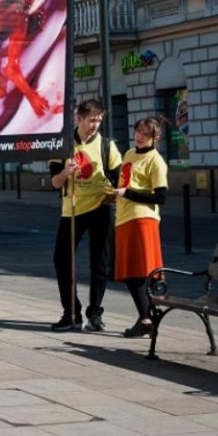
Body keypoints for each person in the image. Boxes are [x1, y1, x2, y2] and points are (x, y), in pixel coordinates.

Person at [50, 99, 121, 332]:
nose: (95, 125)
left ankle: (96, 313)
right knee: (62, 260)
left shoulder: (107, 146)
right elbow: (54, 182)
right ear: (79, 119)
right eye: (92, 120)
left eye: (99, 120)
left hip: (100, 207)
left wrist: (115, 191)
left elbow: (119, 178)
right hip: (72, 209)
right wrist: (64, 172)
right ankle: (71, 312)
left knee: (100, 262)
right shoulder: (64, 145)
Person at [113, 116, 168, 338]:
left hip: (142, 219)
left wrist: (128, 194)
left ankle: (147, 319)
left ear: (155, 137)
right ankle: (145, 318)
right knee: (130, 272)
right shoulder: (129, 154)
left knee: (140, 272)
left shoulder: (156, 161)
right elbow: (125, 182)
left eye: (145, 133)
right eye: (137, 131)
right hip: (124, 218)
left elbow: (160, 196)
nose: (139, 136)